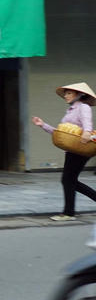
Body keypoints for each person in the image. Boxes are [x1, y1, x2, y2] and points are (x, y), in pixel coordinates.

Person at [32, 81, 96, 222]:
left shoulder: (83, 107)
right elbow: (61, 133)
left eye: (69, 93)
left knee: (68, 180)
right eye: (65, 93)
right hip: (72, 148)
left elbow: (87, 124)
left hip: (81, 147)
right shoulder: (71, 109)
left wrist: (86, 133)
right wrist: (43, 125)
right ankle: (69, 212)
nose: (66, 96)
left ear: (79, 95)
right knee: (70, 180)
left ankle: (68, 213)